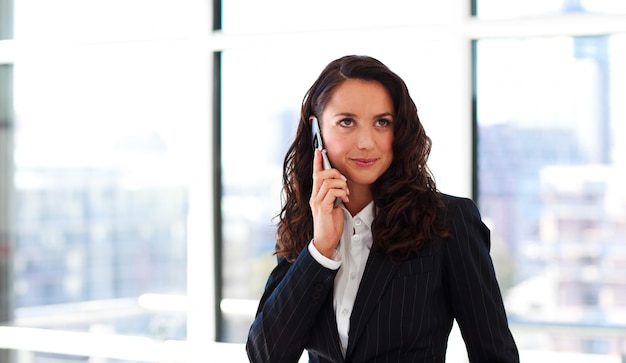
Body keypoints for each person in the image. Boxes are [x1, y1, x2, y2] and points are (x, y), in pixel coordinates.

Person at [246, 55, 519, 363]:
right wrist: (321, 249)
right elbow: (266, 355)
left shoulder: (447, 221)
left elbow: (496, 354)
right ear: (316, 131)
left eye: (382, 122)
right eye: (346, 122)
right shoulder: (307, 222)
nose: (366, 142)